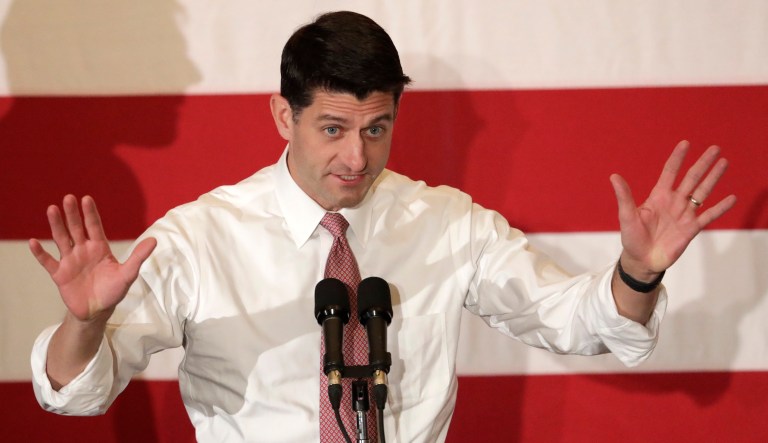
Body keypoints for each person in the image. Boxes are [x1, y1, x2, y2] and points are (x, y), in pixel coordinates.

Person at [29, 10, 736, 443]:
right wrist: (86, 322)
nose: (356, 156)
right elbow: (74, 392)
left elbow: (575, 320)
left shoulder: (446, 222)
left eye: (377, 128)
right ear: (285, 116)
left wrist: (639, 272)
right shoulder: (201, 237)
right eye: (332, 128)